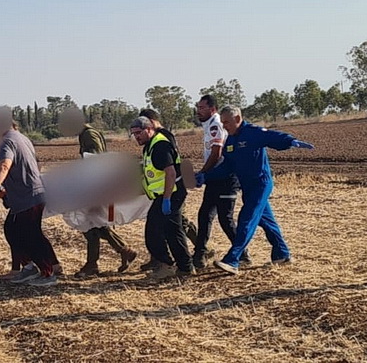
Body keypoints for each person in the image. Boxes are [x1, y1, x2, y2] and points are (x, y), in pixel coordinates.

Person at [198, 106, 315, 276]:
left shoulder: (252, 132)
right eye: (222, 123)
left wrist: (290, 141)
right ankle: (282, 254)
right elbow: (227, 166)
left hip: (261, 184)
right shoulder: (230, 141)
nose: (224, 126)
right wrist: (205, 176)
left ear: (238, 119)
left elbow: (271, 136)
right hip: (247, 187)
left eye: (227, 122)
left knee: (247, 218)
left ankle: (233, 259)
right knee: (265, 220)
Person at [0, 106, 61, 286]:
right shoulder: (22, 138)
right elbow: (36, 164)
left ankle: (48, 273)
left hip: (28, 198)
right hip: (28, 196)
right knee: (12, 229)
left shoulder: (8, 142)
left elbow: (4, 166)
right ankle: (30, 268)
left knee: (29, 235)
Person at [58, 108, 138, 278]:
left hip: (96, 183)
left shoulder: (89, 135)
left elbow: (95, 160)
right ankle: (122, 251)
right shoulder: (85, 134)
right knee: (95, 223)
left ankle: (94, 263)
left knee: (90, 223)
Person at [130, 116, 195, 278]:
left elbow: (170, 173)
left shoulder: (160, 146)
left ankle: (168, 266)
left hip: (171, 194)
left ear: (149, 129)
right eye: (134, 134)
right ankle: (185, 267)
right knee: (172, 231)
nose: (136, 136)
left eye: (139, 132)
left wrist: (166, 199)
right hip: (166, 194)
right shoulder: (150, 146)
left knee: (154, 232)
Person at [193, 95, 250, 270]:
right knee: (204, 216)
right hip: (215, 178)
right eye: (198, 107)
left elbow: (217, 153)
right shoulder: (209, 125)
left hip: (225, 178)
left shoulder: (216, 125)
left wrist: (203, 173)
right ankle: (199, 255)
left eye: (202, 107)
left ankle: (243, 255)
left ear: (212, 109)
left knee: (225, 219)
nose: (198, 111)